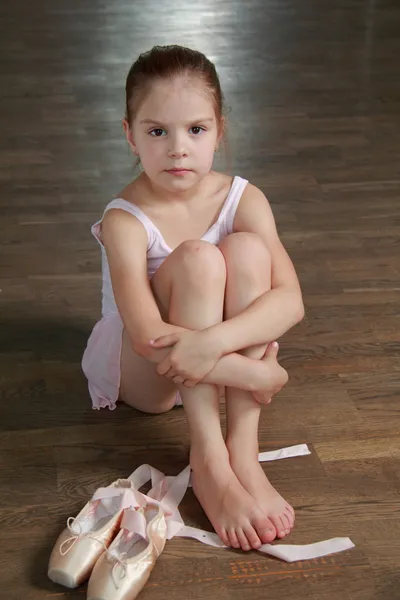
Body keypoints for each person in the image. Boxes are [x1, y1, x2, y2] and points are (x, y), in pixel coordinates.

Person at [82, 44, 304, 553]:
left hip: (208, 360)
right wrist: (253, 372)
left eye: (196, 130)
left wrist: (214, 345)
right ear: (130, 136)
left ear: (219, 130)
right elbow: (145, 337)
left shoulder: (244, 197)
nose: (177, 148)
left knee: (248, 251)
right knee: (200, 259)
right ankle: (208, 460)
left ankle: (241, 453)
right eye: (157, 131)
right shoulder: (124, 219)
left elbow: (290, 302)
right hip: (149, 373)